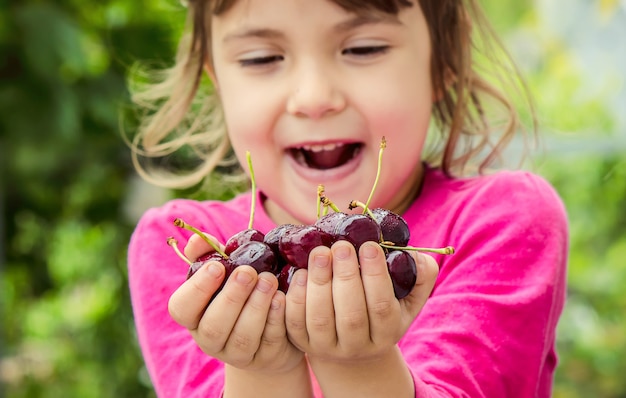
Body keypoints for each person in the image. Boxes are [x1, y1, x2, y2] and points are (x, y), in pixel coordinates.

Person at [126, 0, 568, 397]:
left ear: (443, 63)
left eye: (363, 49)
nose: (314, 98)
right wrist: (260, 371)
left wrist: (359, 365)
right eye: (262, 57)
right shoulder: (185, 254)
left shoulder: (500, 221)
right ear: (216, 81)